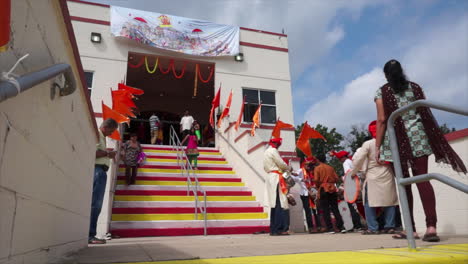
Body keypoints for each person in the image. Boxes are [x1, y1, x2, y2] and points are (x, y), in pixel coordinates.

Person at [375, 59, 466, 242]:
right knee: (423, 179)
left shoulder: (382, 91)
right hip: (418, 137)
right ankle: (431, 227)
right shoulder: (415, 87)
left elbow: (382, 119)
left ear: (385, 75)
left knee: (403, 183)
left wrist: (377, 146)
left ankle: (412, 230)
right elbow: (424, 111)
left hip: (395, 140)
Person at [349, 121, 398, 235]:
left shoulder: (368, 144)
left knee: (368, 202)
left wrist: (353, 172)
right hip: (387, 173)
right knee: (389, 201)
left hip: (372, 175)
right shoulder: (389, 142)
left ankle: (373, 227)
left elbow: (358, 159)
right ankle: (390, 226)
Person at [89, 118, 118, 244]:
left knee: (96, 204)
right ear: (106, 127)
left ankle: (91, 234)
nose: (111, 134)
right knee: (96, 204)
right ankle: (90, 235)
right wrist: (107, 154)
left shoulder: (102, 137)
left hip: (100, 171)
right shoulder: (97, 135)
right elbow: (93, 152)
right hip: (98, 170)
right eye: (111, 131)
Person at [263, 137, 292, 236]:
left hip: (270, 176)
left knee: (274, 203)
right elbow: (281, 164)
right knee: (280, 202)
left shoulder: (266, 151)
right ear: (278, 144)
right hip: (276, 177)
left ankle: (274, 228)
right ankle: (280, 228)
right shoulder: (274, 151)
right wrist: (289, 168)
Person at [313, 155, 346, 234]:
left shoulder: (317, 168)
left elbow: (316, 179)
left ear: (317, 160)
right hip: (332, 188)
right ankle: (341, 227)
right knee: (335, 208)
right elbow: (336, 178)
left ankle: (330, 228)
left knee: (325, 209)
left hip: (323, 188)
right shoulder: (330, 167)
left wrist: (318, 186)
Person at [334, 150, 363, 231]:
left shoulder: (346, 163)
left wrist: (343, 180)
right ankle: (359, 224)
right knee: (357, 206)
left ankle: (357, 225)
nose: (340, 160)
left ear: (343, 157)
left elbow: (348, 174)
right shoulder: (351, 161)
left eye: (340, 159)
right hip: (358, 184)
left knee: (352, 206)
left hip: (351, 186)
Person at [291, 157, 322, 233]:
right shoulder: (301, 171)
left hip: (314, 193)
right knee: (308, 211)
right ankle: (311, 228)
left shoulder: (313, 171)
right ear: (304, 164)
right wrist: (300, 180)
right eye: (307, 165)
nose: (309, 166)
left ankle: (319, 227)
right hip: (304, 193)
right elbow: (292, 176)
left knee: (316, 210)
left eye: (310, 165)